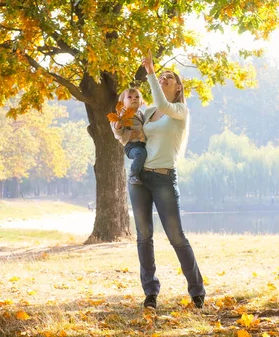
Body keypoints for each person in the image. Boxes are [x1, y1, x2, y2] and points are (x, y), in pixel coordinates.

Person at [115, 51, 206, 310]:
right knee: (144, 237)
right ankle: (150, 293)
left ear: (178, 87)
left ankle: (197, 292)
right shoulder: (150, 110)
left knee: (176, 236)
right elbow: (132, 132)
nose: (164, 78)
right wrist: (121, 126)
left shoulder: (178, 110)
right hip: (139, 178)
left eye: (169, 77)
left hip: (164, 178)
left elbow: (164, 105)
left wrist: (151, 72)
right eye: (161, 76)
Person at [111, 88, 147, 185]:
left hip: (141, 143)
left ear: (141, 102)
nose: (134, 99)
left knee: (144, 154)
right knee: (140, 153)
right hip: (131, 145)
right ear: (123, 103)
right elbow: (117, 131)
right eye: (129, 97)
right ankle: (133, 175)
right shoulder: (123, 114)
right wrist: (119, 123)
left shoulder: (141, 114)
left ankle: (141, 173)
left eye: (137, 97)